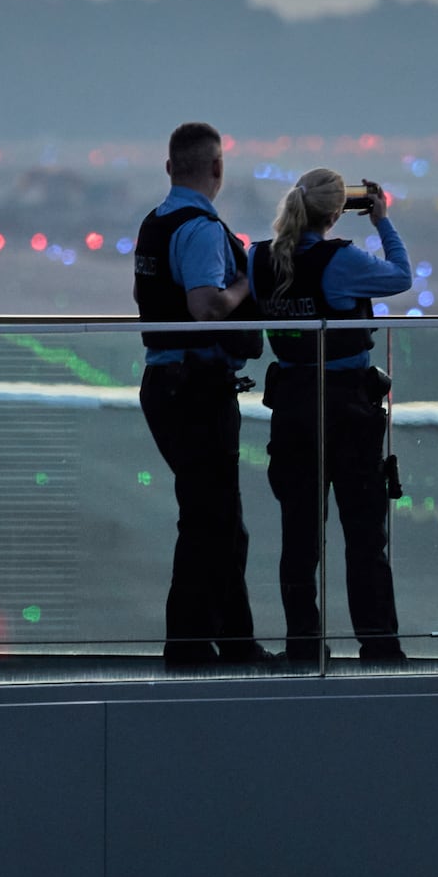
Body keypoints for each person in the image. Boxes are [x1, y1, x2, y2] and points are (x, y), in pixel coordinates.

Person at [249, 168, 412, 664]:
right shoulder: (340, 260)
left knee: (299, 535)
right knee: (364, 535)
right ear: (338, 211)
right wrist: (383, 221)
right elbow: (400, 277)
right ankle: (378, 644)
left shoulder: (259, 258)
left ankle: (302, 643)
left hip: (293, 404)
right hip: (346, 407)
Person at [134, 121, 272, 667]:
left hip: (165, 384)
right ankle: (191, 647)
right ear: (217, 169)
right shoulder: (202, 229)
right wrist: (248, 282)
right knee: (209, 522)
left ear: (170, 168)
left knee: (215, 519)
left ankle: (230, 641)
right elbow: (205, 306)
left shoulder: (155, 224)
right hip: (196, 388)